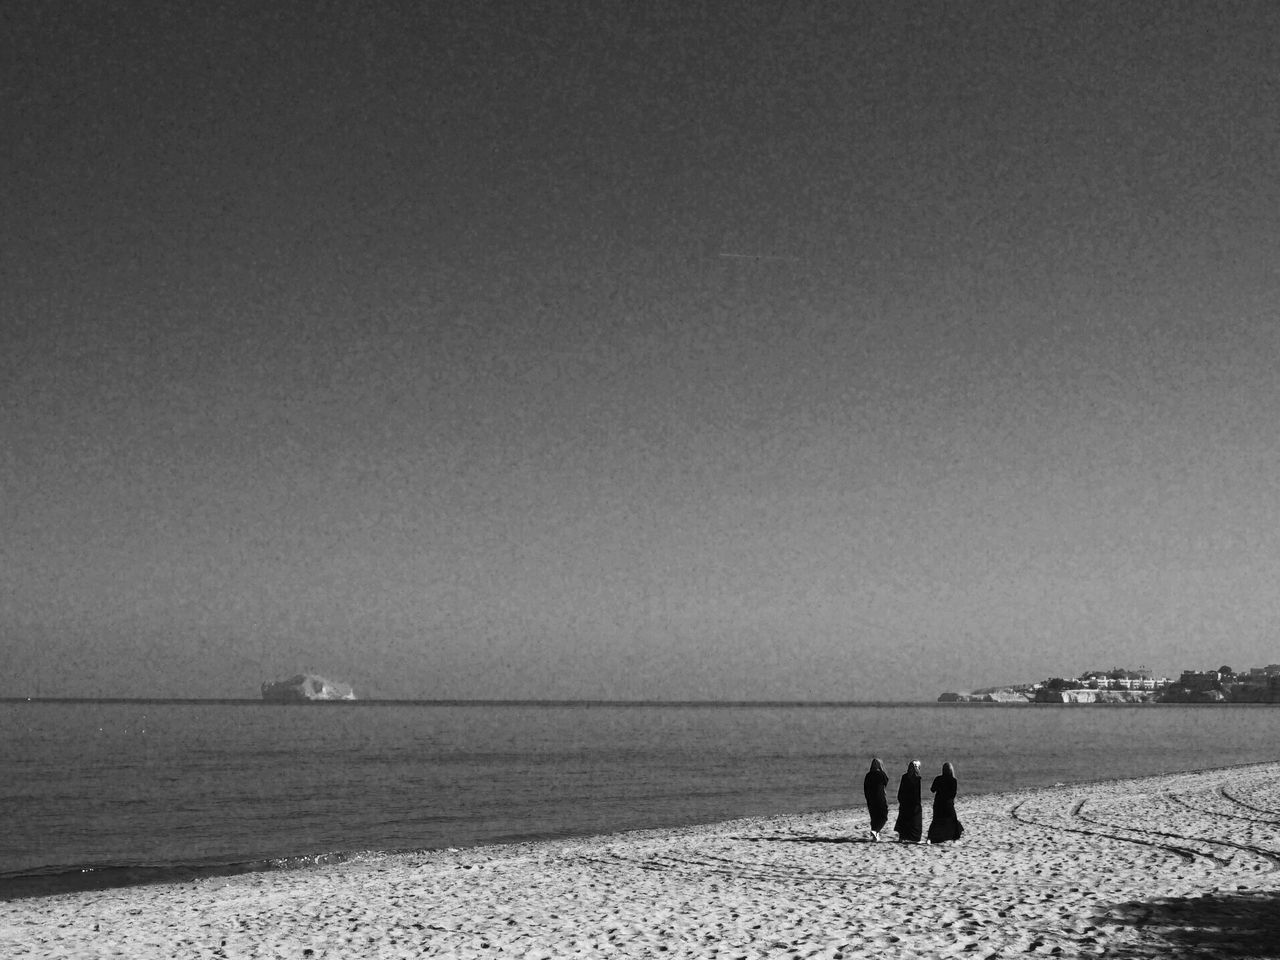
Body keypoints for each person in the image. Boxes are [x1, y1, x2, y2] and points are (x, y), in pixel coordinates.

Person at [927, 761, 964, 843]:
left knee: (936, 820)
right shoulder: (953, 780)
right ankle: (954, 837)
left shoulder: (938, 778)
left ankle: (931, 837)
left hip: (938, 803)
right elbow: (953, 794)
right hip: (948, 804)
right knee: (952, 820)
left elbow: (932, 790)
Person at [892, 760, 922, 842]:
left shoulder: (905, 776)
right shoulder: (917, 778)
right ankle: (915, 838)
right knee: (915, 822)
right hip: (913, 803)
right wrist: (918, 803)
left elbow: (901, 790)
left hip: (905, 802)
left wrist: (900, 799)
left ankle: (902, 838)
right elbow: (917, 793)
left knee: (904, 820)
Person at [862, 758, 889, 840]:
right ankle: (875, 830)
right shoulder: (882, 774)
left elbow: (865, 788)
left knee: (874, 816)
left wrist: (867, 798)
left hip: (870, 799)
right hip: (880, 798)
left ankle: (875, 834)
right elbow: (886, 782)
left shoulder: (868, 775)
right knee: (883, 816)